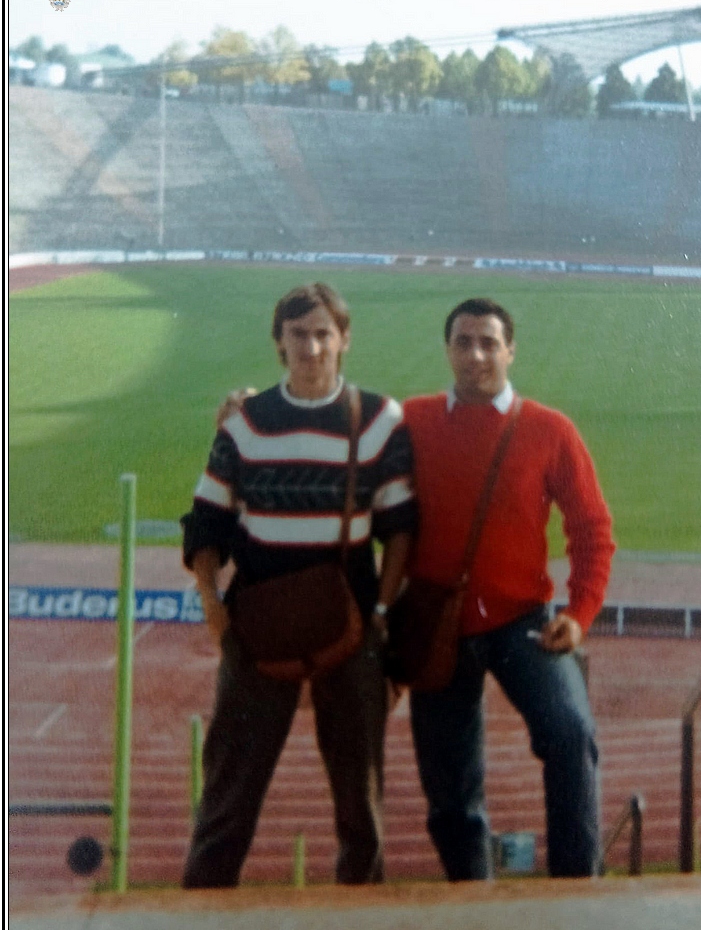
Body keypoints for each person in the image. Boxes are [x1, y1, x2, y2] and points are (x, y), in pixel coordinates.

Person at [182, 282, 416, 888]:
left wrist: (383, 612)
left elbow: (400, 528)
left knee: (360, 801)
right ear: (278, 342)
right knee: (229, 793)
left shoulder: (379, 419)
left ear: (344, 340)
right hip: (256, 626)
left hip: (351, 622)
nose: (311, 347)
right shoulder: (246, 421)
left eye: (322, 334)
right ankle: (197, 922)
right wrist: (210, 601)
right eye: (297, 335)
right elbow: (206, 518)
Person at [401, 298, 615, 880]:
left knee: (571, 735)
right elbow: (343, 440)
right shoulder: (411, 422)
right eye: (464, 342)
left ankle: (576, 885)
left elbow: (591, 528)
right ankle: (472, 894)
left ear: (510, 350)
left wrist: (581, 612)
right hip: (437, 625)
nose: (475, 355)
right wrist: (246, 412)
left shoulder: (549, 430)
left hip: (524, 621)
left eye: (488, 342)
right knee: (448, 787)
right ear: (447, 350)